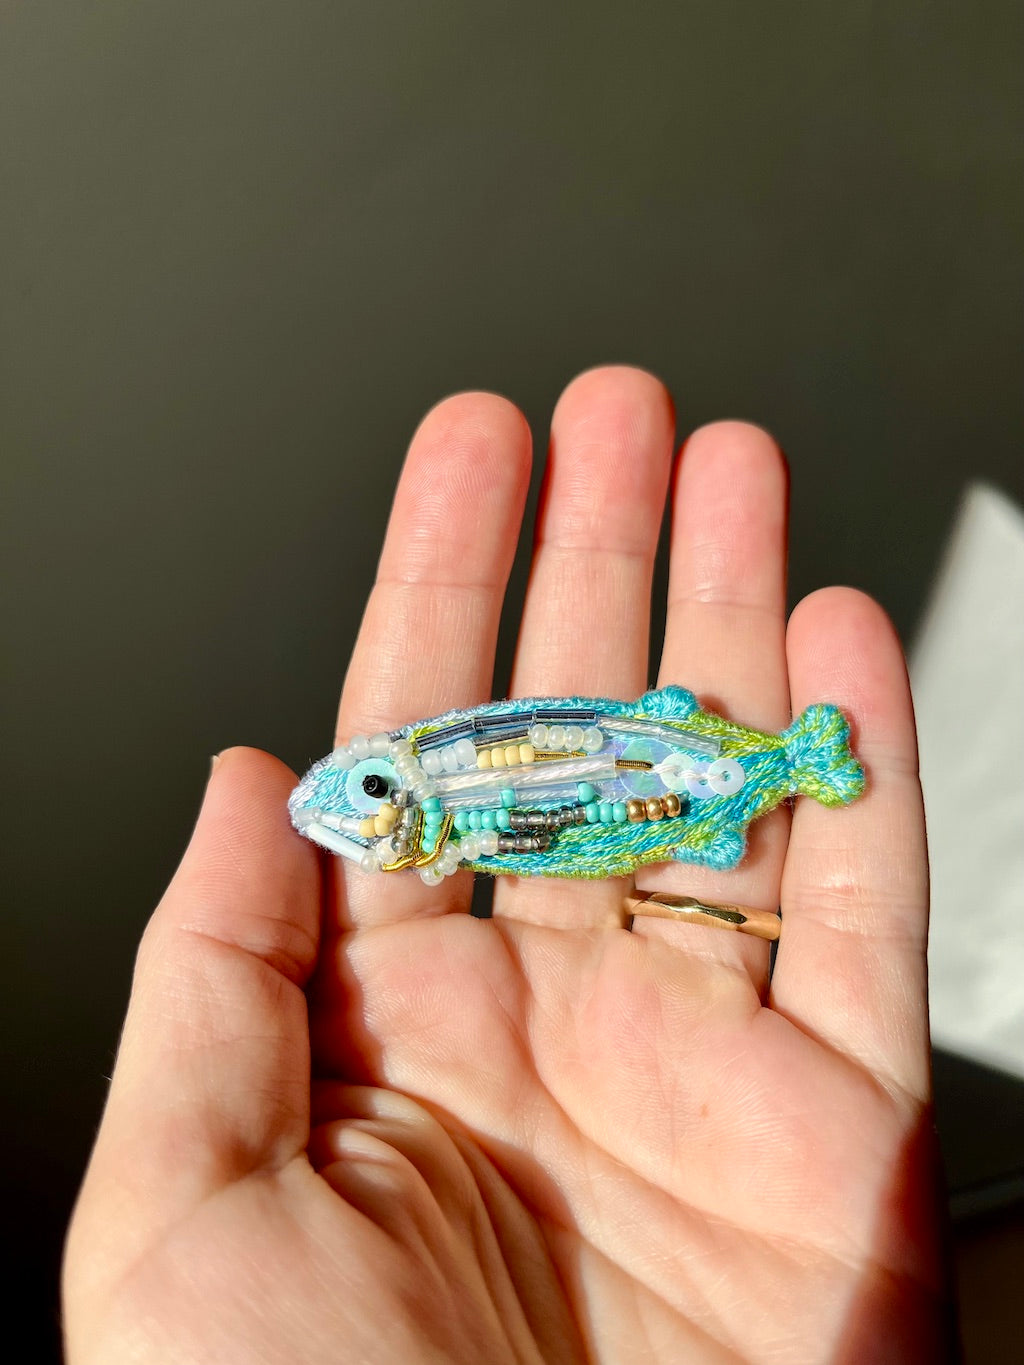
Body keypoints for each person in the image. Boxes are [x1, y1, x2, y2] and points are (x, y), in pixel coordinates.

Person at [62, 367, 950, 1362]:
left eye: (361, 794)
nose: (351, 806)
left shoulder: (440, 777)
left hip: (685, 781)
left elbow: (582, 759)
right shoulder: (436, 806)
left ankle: (786, 765)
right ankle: (781, 767)